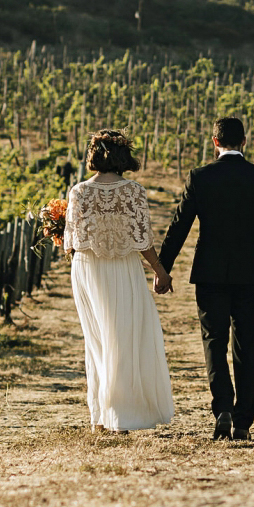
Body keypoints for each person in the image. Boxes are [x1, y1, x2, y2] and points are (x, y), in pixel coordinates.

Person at [157, 117, 254, 440]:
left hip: (209, 274)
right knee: (246, 344)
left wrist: (163, 269)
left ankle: (222, 407)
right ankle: (243, 421)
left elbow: (179, 225)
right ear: (245, 142)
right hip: (249, 274)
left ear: (214, 142)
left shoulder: (200, 178)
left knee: (214, 340)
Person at [63, 129, 175, 431]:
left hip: (88, 268)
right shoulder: (134, 191)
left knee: (97, 340)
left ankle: (101, 416)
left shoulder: (78, 192)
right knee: (125, 337)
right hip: (123, 268)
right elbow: (143, 241)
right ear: (124, 156)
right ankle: (121, 414)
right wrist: (160, 271)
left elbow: (70, 244)